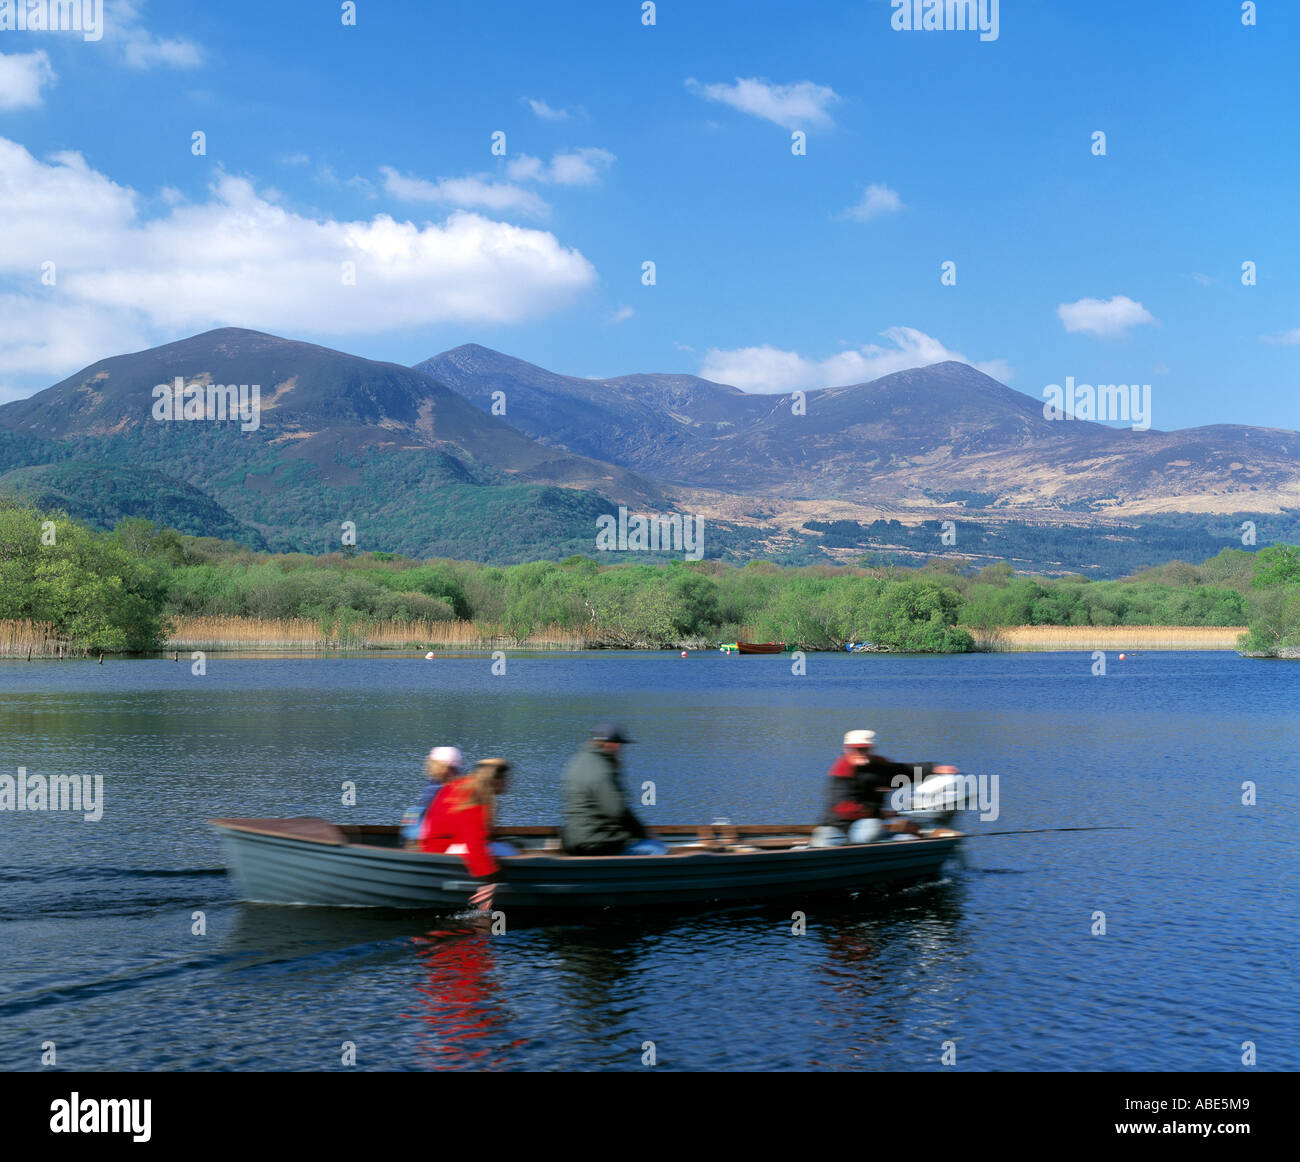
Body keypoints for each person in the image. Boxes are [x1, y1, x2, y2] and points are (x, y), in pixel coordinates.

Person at [811, 729, 959, 846]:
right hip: (836, 824)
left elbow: (906, 771)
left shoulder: (881, 767)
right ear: (846, 750)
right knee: (821, 843)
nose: (859, 753)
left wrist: (934, 768)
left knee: (868, 832)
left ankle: (891, 840)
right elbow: (843, 807)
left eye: (864, 749)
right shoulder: (841, 772)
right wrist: (880, 813)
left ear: (870, 749)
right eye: (855, 749)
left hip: (867, 822)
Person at [420, 758, 517, 909]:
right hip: (441, 850)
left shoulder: (463, 784)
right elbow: (474, 843)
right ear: (496, 780)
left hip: (438, 845)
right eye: (507, 779)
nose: (509, 783)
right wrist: (490, 881)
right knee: (509, 852)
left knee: (503, 848)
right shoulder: (475, 797)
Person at [561, 724, 667, 855]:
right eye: (620, 745)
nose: (621, 750)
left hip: (572, 840)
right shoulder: (602, 771)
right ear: (612, 745)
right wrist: (644, 834)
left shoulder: (577, 762)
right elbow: (618, 811)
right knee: (656, 849)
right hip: (596, 843)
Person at [400, 745, 464, 844]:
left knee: (413, 811)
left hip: (423, 836)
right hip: (433, 837)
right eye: (455, 769)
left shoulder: (431, 785)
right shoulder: (442, 787)